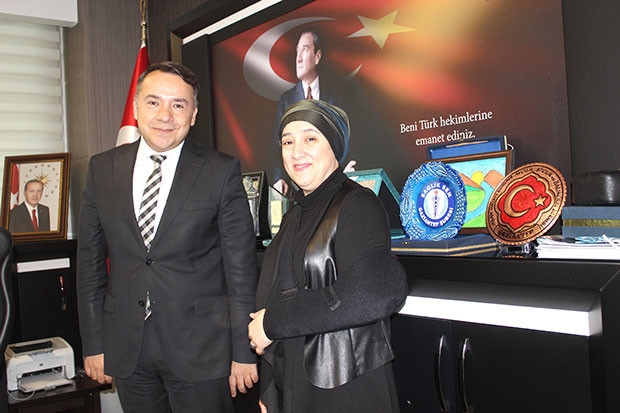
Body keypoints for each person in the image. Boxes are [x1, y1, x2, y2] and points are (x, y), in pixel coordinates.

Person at [76, 61, 259, 413]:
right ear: (136, 107)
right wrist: (94, 343)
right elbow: (89, 266)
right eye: (153, 102)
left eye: (178, 104)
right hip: (127, 347)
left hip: (203, 349)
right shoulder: (102, 169)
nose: (165, 115)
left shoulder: (220, 170)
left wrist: (243, 351)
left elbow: (241, 271)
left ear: (193, 114)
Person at [249, 99, 408, 413]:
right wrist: (271, 390)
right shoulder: (294, 217)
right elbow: (272, 298)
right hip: (295, 386)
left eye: (310, 138)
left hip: (347, 390)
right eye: (288, 142)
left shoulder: (358, 204)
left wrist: (273, 322)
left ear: (334, 146)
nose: (297, 152)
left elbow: (376, 292)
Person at [272, 29, 348, 195]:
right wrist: (279, 178)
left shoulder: (337, 93)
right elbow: (276, 145)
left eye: (305, 50)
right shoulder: (286, 100)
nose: (298, 58)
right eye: (297, 51)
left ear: (317, 56)